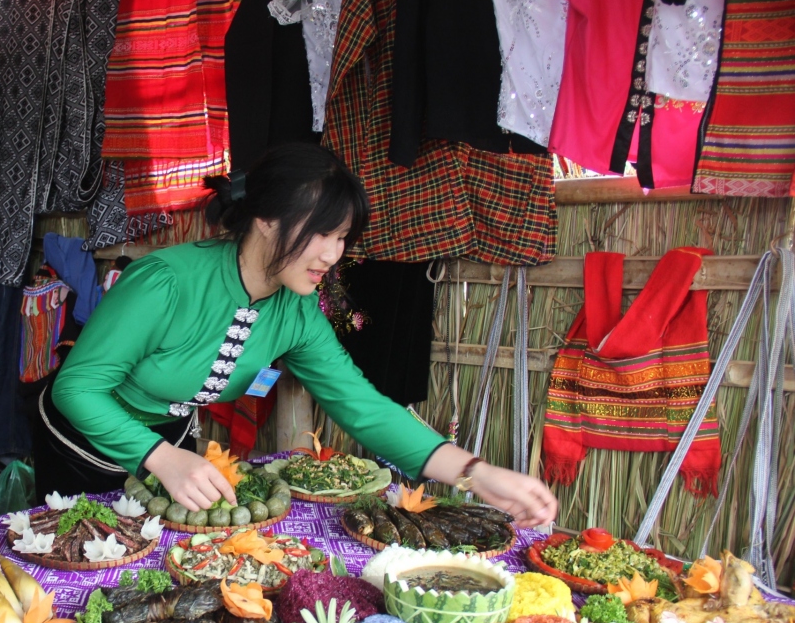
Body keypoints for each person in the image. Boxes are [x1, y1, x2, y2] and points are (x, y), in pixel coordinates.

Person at [44, 143, 556, 527]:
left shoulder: (298, 312)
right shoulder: (166, 282)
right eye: (322, 234)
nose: (334, 256)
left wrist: (476, 473)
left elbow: (365, 408)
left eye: (342, 239)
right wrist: (162, 457)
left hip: (170, 453)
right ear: (265, 219)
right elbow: (77, 388)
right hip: (81, 450)